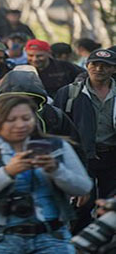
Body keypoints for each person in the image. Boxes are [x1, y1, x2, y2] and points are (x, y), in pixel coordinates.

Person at [0, 94, 92, 254]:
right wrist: (7, 173)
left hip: (51, 237)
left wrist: (56, 170)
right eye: (11, 120)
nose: (20, 124)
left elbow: (83, 187)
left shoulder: (56, 146)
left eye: (26, 118)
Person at [53, 48, 116, 208]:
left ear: (114, 69)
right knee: (82, 206)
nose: (99, 69)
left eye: (105, 65)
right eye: (94, 64)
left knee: (110, 207)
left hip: (112, 157)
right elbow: (58, 128)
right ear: (87, 66)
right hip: (81, 157)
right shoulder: (69, 93)